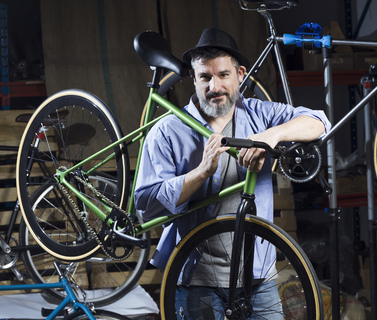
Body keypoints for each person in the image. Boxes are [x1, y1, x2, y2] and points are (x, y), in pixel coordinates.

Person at [134, 28, 331, 319]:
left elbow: (319, 122)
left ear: (240, 74)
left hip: (258, 280)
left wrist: (271, 136)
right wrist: (201, 172)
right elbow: (147, 207)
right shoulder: (167, 131)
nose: (215, 86)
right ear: (194, 78)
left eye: (223, 75)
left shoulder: (260, 115)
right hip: (197, 282)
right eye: (205, 77)